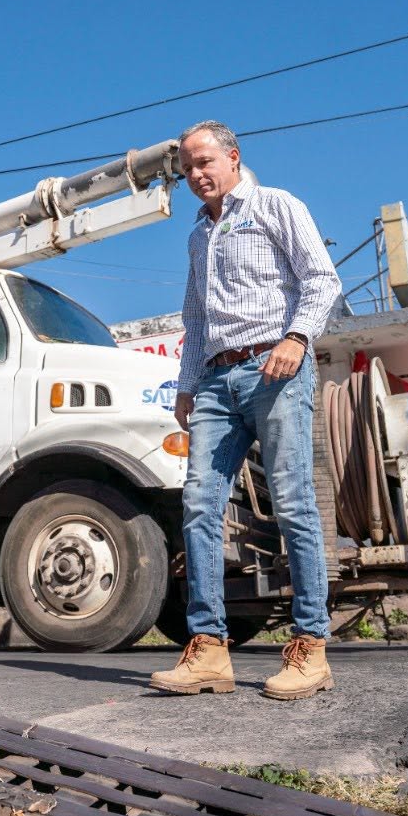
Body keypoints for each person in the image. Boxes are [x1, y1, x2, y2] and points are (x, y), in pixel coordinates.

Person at [150, 120, 342, 701]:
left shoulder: (275, 205)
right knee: (200, 506)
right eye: (187, 168)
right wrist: (187, 384)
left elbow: (321, 280)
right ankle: (209, 649)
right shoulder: (197, 236)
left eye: (204, 161)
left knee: (291, 502)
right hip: (213, 379)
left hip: (274, 368)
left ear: (232, 158)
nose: (196, 175)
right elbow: (194, 316)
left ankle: (312, 646)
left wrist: (297, 338)